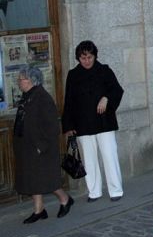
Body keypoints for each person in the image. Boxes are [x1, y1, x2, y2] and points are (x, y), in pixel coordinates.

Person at [62, 41, 125, 203]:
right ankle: (94, 191)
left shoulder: (104, 71)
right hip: (82, 124)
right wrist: (68, 126)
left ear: (95, 56)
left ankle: (115, 189)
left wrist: (106, 98)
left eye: (89, 57)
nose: (87, 61)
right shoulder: (73, 75)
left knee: (109, 156)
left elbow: (117, 90)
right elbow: (68, 101)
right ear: (78, 58)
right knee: (89, 160)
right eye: (83, 58)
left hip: (104, 122)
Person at [13, 67, 74, 223]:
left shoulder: (42, 97)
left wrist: (42, 146)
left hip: (41, 147)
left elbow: (52, 126)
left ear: (32, 81)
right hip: (28, 146)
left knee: (47, 180)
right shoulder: (27, 96)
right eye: (19, 79)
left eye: (22, 79)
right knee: (33, 179)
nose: (19, 82)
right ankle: (39, 210)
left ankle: (65, 199)